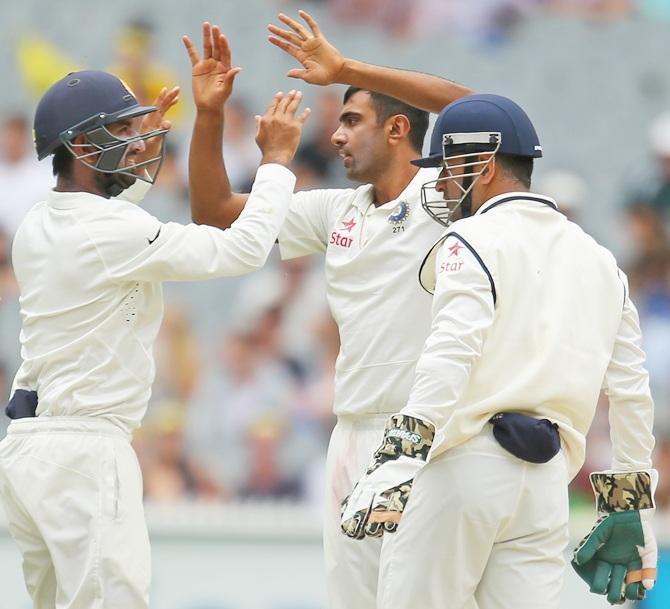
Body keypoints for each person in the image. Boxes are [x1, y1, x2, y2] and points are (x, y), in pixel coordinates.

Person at [182, 13, 472, 609]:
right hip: (351, 436)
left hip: (428, 437)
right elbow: (214, 212)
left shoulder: (445, 195)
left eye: (350, 119)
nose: (335, 135)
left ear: (398, 129)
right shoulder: (336, 210)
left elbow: (481, 110)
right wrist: (209, 116)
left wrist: (346, 69)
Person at [0, 69, 308, 609]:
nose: (137, 146)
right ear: (81, 146)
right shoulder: (109, 233)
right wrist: (277, 164)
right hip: (85, 452)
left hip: (31, 454)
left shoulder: (36, 223)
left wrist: (140, 141)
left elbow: (110, 210)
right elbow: (243, 249)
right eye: (118, 134)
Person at [341, 94, 657, 608]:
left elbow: (451, 352)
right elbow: (630, 392)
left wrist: (398, 459)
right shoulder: (601, 261)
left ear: (482, 166)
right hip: (544, 487)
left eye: (445, 169)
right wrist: (632, 507)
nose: (439, 185)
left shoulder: (472, 237)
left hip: (462, 470)